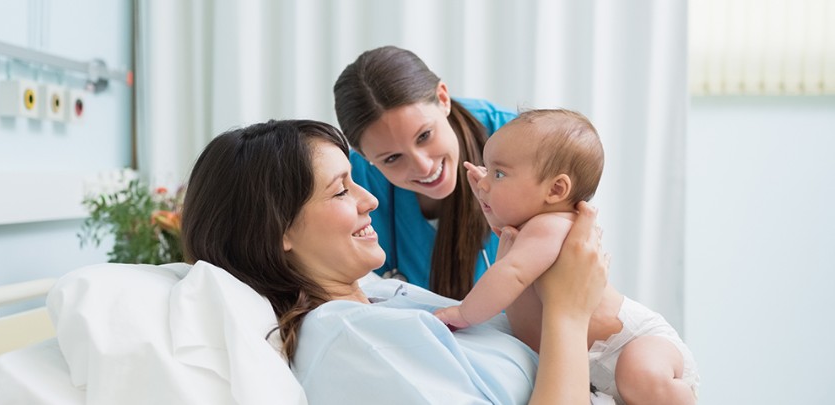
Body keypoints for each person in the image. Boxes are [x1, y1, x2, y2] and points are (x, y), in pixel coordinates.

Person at [181, 119, 609, 404]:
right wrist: (568, 314)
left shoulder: (381, 295)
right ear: (280, 231)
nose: (370, 199)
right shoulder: (355, 343)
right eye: (340, 191)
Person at [433, 109, 699, 404]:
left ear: (557, 189)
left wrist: (464, 313)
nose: (483, 183)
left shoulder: (551, 226)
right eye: (486, 170)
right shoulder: (529, 230)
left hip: (632, 342)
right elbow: (504, 231)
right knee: (633, 384)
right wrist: (490, 196)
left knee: (640, 375)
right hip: (593, 368)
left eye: (499, 174)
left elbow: (511, 274)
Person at [333, 45, 516, 300]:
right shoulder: (353, 185)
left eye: (424, 135)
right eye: (392, 158)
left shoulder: (518, 140)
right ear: (363, 154)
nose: (423, 167)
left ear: (443, 99)